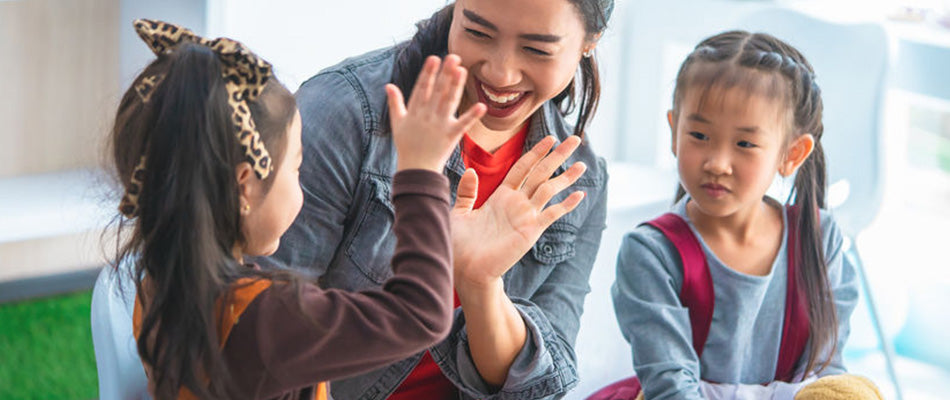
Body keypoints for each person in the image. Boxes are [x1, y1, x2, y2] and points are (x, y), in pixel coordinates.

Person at [110, 18, 488, 399]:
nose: (301, 181)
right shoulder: (265, 319)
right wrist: (421, 175)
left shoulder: (159, 282)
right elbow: (421, 315)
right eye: (296, 165)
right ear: (245, 186)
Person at [263, 0, 614, 398]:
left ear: (590, 41)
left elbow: (538, 388)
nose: (500, 73)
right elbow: (260, 327)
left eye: (537, 49)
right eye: (478, 32)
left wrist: (480, 286)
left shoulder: (578, 178)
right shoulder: (347, 111)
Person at [607, 31, 869, 399]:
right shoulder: (650, 252)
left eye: (745, 144)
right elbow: (671, 388)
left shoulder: (819, 238)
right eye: (698, 135)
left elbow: (825, 378)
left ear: (791, 154)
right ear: (673, 131)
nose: (717, 163)